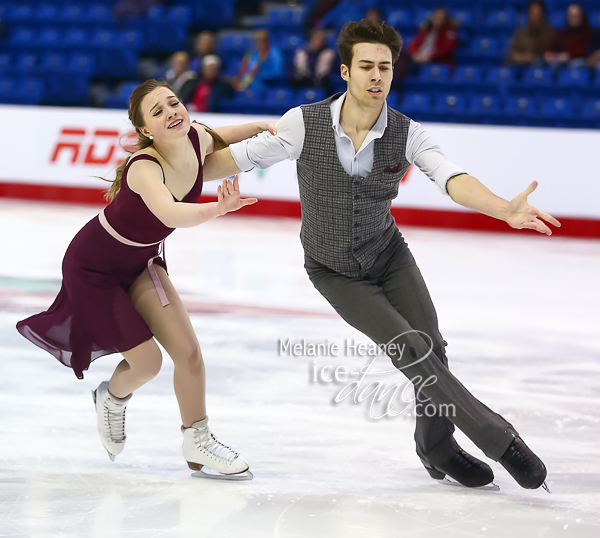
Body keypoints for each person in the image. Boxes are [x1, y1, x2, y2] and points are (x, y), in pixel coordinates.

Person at [203, 20, 560, 491]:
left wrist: (500, 208)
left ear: (394, 74)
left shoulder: (407, 133)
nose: (377, 76)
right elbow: (229, 160)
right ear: (346, 72)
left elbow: (451, 177)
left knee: (431, 346)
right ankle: (499, 438)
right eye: (367, 67)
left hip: (388, 255)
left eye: (385, 68)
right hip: (333, 270)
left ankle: (437, 448)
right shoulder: (302, 124)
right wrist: (161, 168)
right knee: (410, 349)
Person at [16, 79, 275, 480]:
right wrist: (217, 209)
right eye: (158, 111)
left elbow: (220, 138)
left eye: (173, 102)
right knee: (148, 362)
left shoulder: (195, 137)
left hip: (141, 260)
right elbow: (171, 215)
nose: (171, 111)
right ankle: (111, 397)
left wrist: (259, 126)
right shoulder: (143, 167)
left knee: (188, 353)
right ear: (145, 131)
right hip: (94, 269)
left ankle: (198, 441)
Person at [505, 1, 555, 66]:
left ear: (542, 14)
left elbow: (547, 55)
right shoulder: (521, 32)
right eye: (532, 13)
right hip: (521, 68)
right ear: (528, 14)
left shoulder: (549, 32)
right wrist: (523, 58)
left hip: (541, 67)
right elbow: (511, 54)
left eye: (537, 14)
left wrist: (533, 57)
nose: (535, 17)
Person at [544, 3, 593, 69]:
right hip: (562, 60)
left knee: (575, 64)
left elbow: (584, 51)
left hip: (580, 61)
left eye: (575, 16)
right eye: (571, 16)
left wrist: (568, 55)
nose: (573, 19)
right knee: (550, 64)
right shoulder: (563, 33)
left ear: (582, 17)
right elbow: (552, 47)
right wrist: (551, 54)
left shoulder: (588, 32)